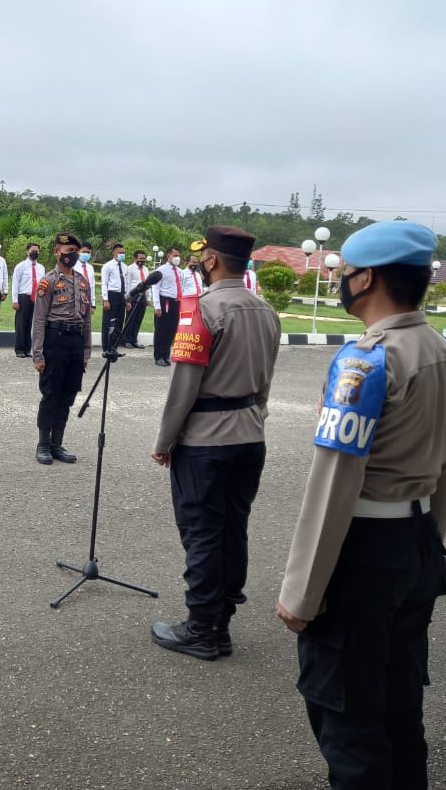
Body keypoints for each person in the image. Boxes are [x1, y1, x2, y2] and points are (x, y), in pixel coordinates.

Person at [275, 221, 446, 790]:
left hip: (361, 556)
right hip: (415, 548)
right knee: (398, 709)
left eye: (343, 274)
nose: (339, 282)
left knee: (350, 723)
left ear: (367, 279)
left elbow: (336, 479)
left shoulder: (365, 360)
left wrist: (301, 591)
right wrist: (428, 541)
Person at [148, 226, 281, 660]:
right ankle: (221, 624)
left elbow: (184, 384)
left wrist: (165, 440)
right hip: (250, 435)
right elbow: (264, 382)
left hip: (205, 441)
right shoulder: (266, 310)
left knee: (203, 533)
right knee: (232, 529)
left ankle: (200, 628)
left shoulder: (202, 310)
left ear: (210, 260)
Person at [32, 232, 93, 465]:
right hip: (54, 340)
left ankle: (57, 443)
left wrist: (87, 351)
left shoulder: (83, 281)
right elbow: (38, 319)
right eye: (68, 252)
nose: (73, 256)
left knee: (67, 395)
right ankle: (43, 444)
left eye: (75, 252)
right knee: (51, 394)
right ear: (57, 252)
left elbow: (87, 320)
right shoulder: (48, 281)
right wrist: (38, 353)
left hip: (75, 343)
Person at [152, 245, 200, 366]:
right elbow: (155, 287)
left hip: (176, 302)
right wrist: (157, 305)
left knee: (172, 329)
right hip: (165, 301)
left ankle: (166, 354)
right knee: (161, 329)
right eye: (175, 256)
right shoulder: (161, 270)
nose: (177, 258)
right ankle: (158, 356)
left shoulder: (180, 272)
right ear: (168, 256)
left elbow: (182, 287)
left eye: (178, 256)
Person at [11, 242, 46, 359]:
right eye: (32, 250)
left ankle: (28, 349)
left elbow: (43, 285)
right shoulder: (20, 266)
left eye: (37, 250)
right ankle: (20, 349)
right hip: (24, 297)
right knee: (21, 324)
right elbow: (15, 284)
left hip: (37, 298)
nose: (35, 252)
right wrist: (15, 300)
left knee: (33, 324)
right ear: (27, 251)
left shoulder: (41, 268)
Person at [121, 249, 152, 349]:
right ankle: (126, 340)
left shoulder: (146, 269)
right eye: (140, 258)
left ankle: (134, 340)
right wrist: (127, 299)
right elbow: (127, 284)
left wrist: (148, 298)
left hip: (142, 297)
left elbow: (148, 284)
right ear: (135, 258)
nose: (142, 260)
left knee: (138, 319)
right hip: (133, 296)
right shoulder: (130, 269)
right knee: (130, 319)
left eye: (143, 258)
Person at [101, 242, 129, 350]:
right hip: (111, 295)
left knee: (119, 322)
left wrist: (127, 299)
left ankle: (114, 346)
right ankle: (106, 346)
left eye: (123, 252)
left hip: (122, 296)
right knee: (109, 322)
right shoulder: (108, 266)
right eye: (120, 252)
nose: (122, 254)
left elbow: (126, 284)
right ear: (114, 253)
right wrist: (105, 299)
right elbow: (104, 283)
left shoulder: (125, 267)